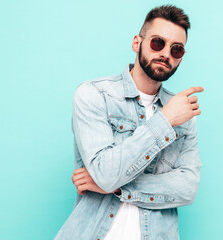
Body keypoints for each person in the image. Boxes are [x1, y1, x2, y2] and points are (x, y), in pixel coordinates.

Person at [55, 5, 203, 240]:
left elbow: (187, 189)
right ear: (137, 43)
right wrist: (164, 121)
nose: (166, 53)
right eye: (157, 43)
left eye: (177, 50)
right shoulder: (94, 95)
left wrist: (119, 187)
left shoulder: (184, 116)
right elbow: (105, 173)